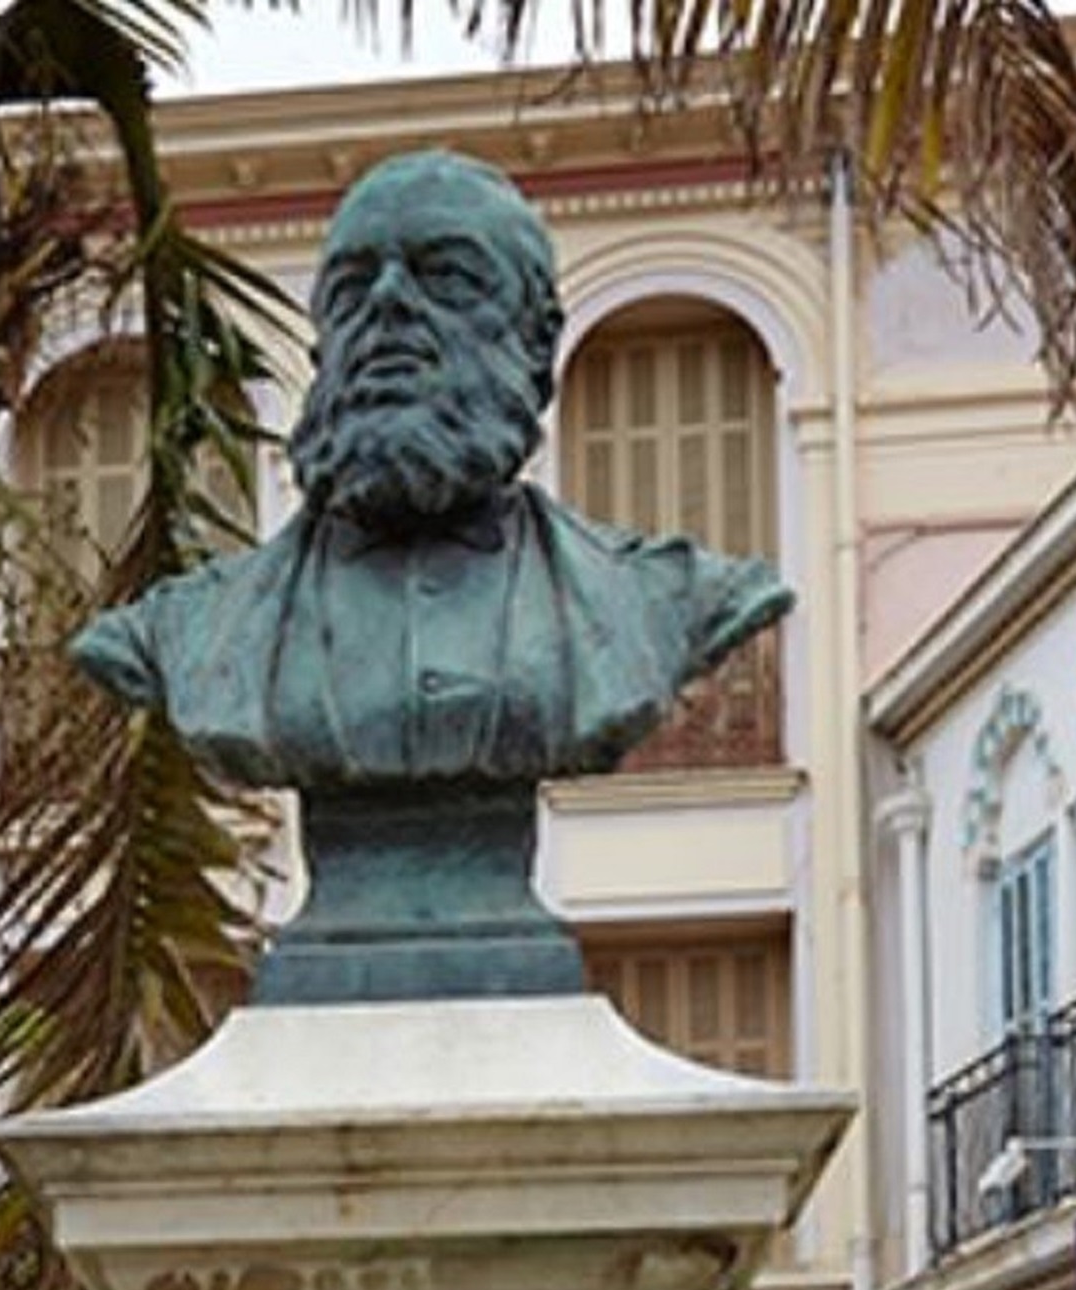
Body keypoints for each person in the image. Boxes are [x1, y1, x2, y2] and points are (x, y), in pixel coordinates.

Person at [72, 151, 790, 1001]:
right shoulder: (195, 632)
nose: (387, 309)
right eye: (351, 287)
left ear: (535, 339)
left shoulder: (658, 601)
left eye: (444, 277)